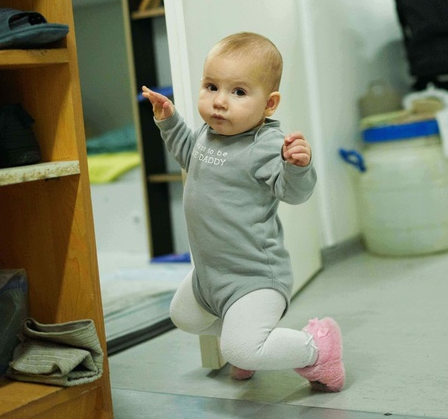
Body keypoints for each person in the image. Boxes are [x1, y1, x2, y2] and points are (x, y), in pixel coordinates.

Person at [141, 32, 345, 392]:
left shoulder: (264, 145)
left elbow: (294, 193)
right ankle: (248, 337)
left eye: (238, 92)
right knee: (183, 316)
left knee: (241, 349)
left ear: (269, 104)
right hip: (211, 275)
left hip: (253, 277)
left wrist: (297, 166)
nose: (219, 102)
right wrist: (169, 120)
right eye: (211, 86)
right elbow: (189, 152)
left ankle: (318, 350)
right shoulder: (209, 133)